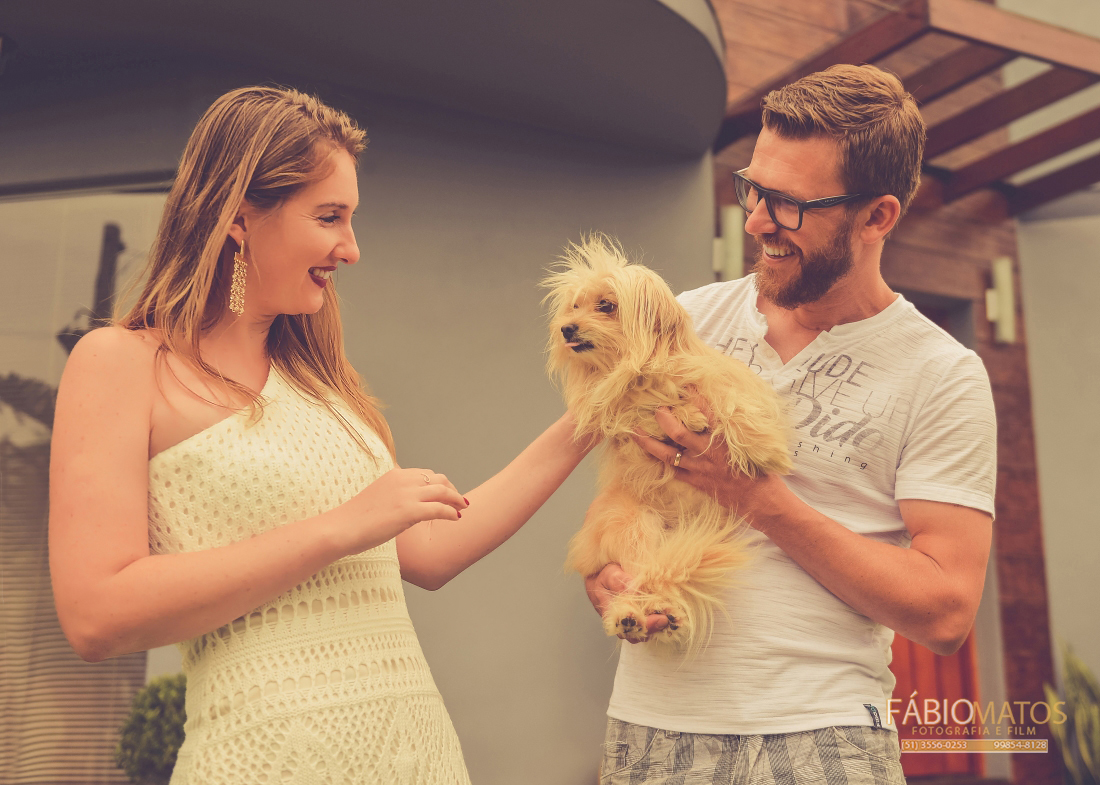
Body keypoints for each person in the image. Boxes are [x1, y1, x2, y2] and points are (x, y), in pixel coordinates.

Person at [48, 86, 592, 785]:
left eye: (352, 219)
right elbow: (97, 613)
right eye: (330, 217)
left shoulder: (329, 387)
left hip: (418, 758)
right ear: (242, 218)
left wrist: (590, 420)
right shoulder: (122, 363)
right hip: (264, 763)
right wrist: (338, 527)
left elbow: (427, 549)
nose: (352, 249)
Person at [585, 64, 996, 784]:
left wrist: (756, 498)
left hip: (821, 738)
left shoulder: (941, 372)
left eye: (787, 204)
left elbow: (944, 609)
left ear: (878, 217)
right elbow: (621, 496)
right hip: (649, 729)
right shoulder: (684, 318)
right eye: (752, 188)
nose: (754, 220)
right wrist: (608, 573)